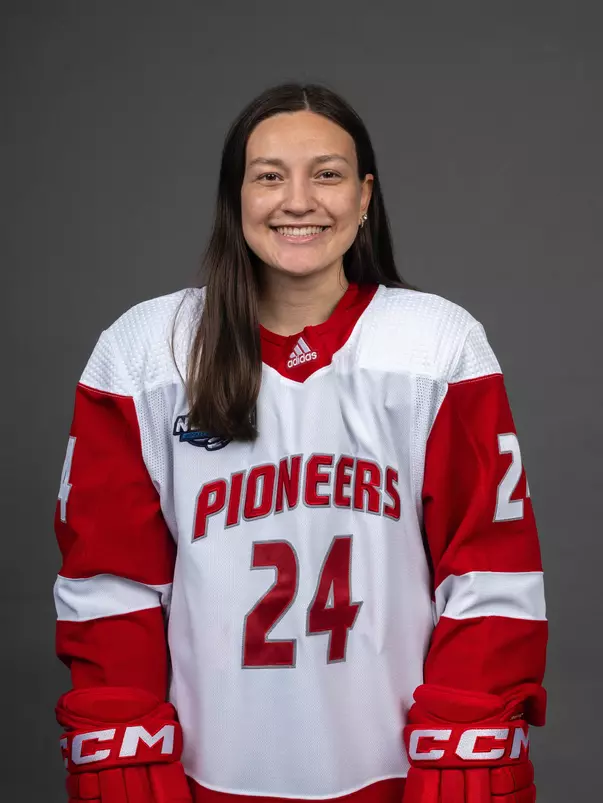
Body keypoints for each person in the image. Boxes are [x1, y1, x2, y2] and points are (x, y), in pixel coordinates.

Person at [53, 83, 547, 803]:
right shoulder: (145, 351)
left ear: (364, 194)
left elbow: (488, 569)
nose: (298, 201)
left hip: (393, 765)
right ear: (236, 196)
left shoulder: (435, 342)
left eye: (326, 173)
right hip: (204, 766)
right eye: (268, 176)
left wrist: (465, 735)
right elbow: (111, 579)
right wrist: (123, 734)